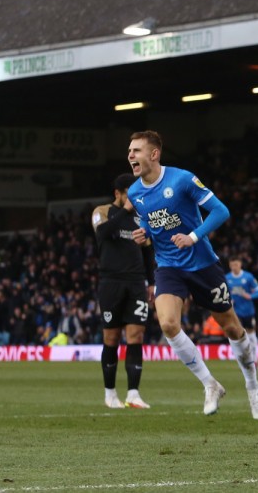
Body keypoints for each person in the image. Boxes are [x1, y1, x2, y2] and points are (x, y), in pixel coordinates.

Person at [127, 130, 258, 420]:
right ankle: (210, 384)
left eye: (137, 150)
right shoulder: (134, 193)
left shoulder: (182, 179)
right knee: (167, 323)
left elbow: (220, 211)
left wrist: (193, 236)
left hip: (202, 264)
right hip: (168, 266)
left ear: (154, 154)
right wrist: (145, 236)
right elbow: (151, 227)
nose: (131, 155)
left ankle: (252, 385)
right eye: (129, 151)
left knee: (231, 328)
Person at [91, 173, 155, 409]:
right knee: (112, 338)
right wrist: (126, 211)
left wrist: (152, 282)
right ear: (118, 194)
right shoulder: (103, 211)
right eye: (130, 192)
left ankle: (134, 394)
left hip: (137, 282)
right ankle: (110, 394)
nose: (135, 197)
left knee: (136, 336)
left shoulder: (141, 216)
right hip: (111, 282)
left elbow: (149, 252)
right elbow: (103, 233)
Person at [225, 256, 258, 360]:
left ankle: (254, 359)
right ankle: (241, 358)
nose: (234, 267)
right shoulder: (227, 278)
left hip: (248, 311)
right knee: (236, 334)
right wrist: (229, 300)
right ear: (229, 265)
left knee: (251, 333)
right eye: (232, 265)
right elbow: (225, 294)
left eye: (236, 264)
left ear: (240, 264)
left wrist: (250, 296)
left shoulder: (248, 277)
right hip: (235, 312)